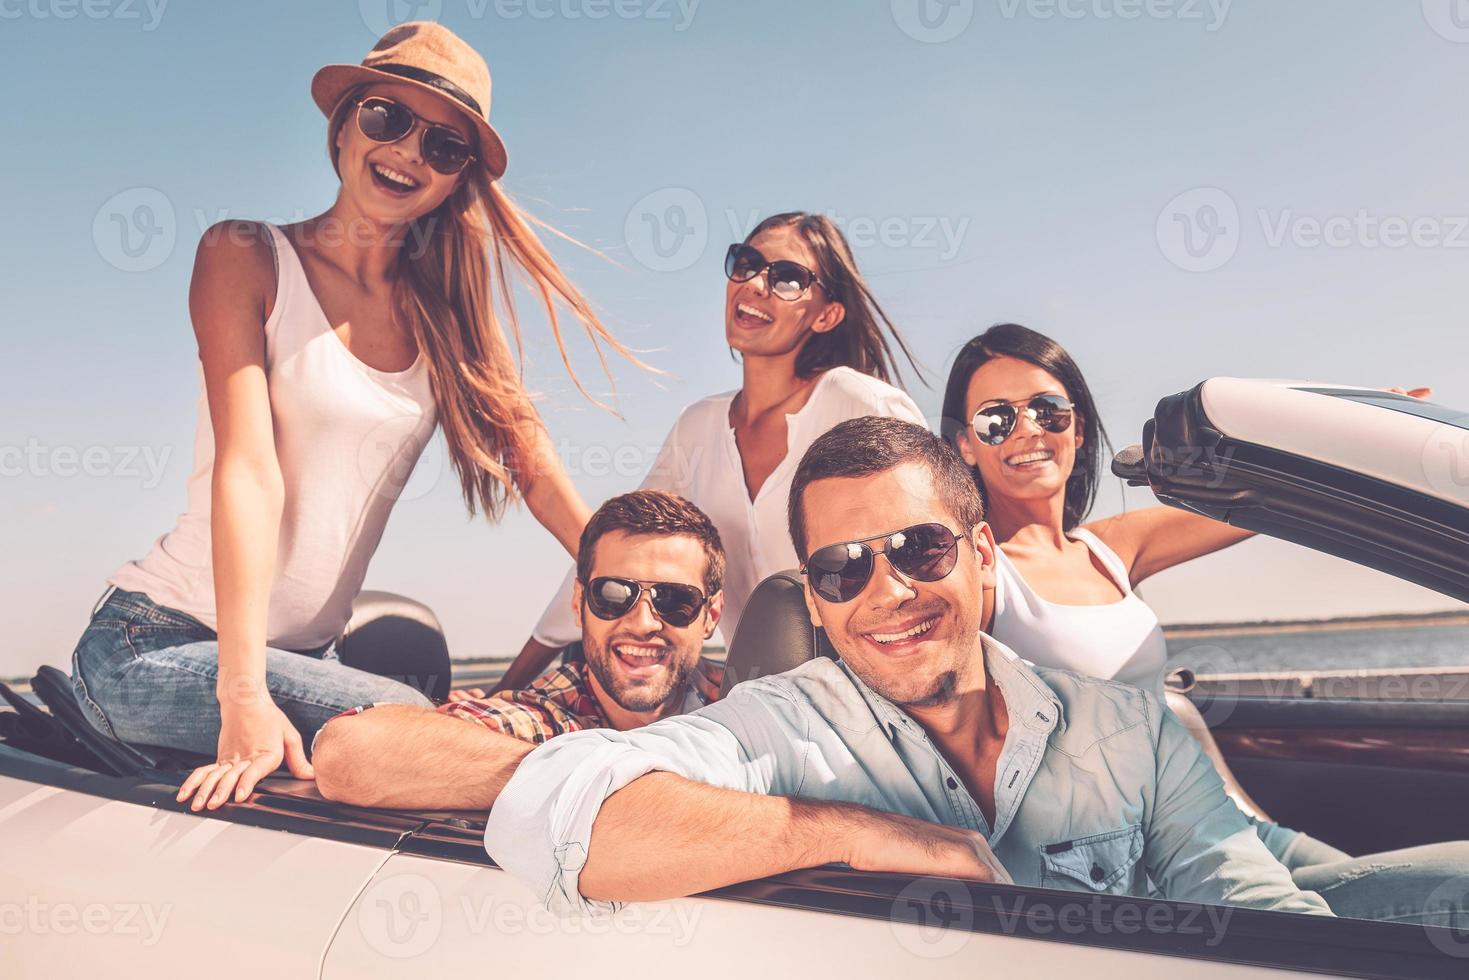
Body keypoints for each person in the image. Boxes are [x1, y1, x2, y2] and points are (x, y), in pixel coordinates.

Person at [72, 22, 638, 813]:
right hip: (156, 645)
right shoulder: (245, 254)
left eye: (443, 147)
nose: (408, 151)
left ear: (456, 180)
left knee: (453, 736)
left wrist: (634, 585)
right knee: (432, 735)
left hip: (304, 656)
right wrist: (241, 696)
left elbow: (536, 472)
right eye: (386, 118)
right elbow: (249, 471)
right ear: (343, 128)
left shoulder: (448, 316)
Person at [484, 417, 1345, 918]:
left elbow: (1262, 924)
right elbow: (543, 811)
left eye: (918, 548)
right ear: (814, 601)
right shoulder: (779, 729)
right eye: (841, 568)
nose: (886, 591)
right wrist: (861, 835)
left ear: (979, 556)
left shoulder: (1126, 730)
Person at [942, 323, 1462, 908]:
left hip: (1231, 824)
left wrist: (1368, 440)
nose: (1028, 429)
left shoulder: (1109, 549)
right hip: (1148, 860)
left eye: (1048, 408)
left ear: (1078, 425)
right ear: (964, 444)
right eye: (996, 419)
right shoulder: (977, 573)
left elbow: (1258, 498)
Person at [480, 212, 926, 696]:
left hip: (880, 697)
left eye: (788, 278)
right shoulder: (698, 426)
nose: (756, 284)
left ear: (826, 315)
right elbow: (620, 549)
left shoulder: (859, 404)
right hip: (754, 710)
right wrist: (510, 687)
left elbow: (937, 552)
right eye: (747, 263)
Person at [309, 490, 726, 810]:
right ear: (579, 604)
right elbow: (349, 753)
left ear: (710, 615)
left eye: (675, 600)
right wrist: (611, 778)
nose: (642, 623)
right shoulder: (549, 718)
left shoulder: (744, 706)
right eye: (614, 594)